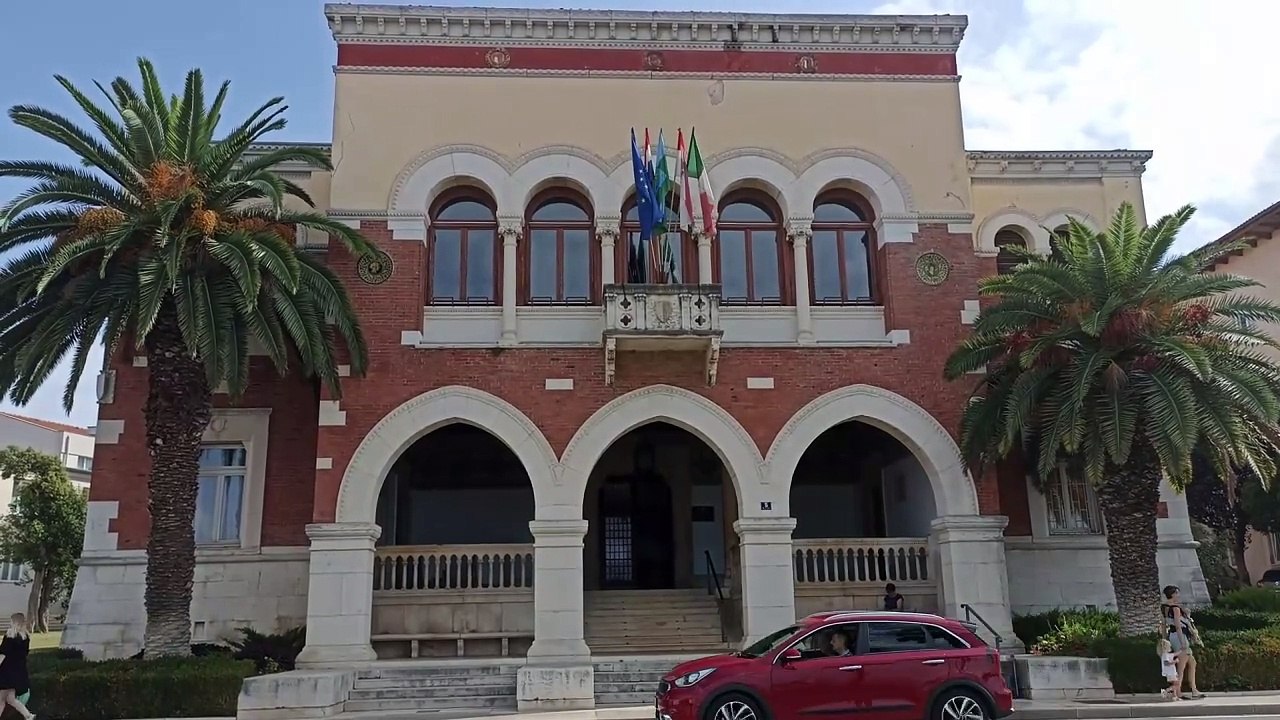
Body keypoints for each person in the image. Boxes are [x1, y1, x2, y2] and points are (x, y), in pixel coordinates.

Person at [1161, 585, 1205, 700]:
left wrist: (1165, 640)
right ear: (1173, 594)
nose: (1179, 596)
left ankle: (1194, 689)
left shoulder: (1164, 607)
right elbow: (1178, 626)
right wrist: (1183, 643)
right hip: (1180, 637)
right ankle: (1178, 692)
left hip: (1172, 636)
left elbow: (1164, 624)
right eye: (1178, 593)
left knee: (1192, 663)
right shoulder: (1175, 608)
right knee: (1181, 666)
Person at [0, 612, 34, 720]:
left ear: (14, 622)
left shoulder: (9, 636)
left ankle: (28, 715)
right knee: (10, 699)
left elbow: (3, 654)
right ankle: (28, 715)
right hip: (19, 672)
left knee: (1, 699)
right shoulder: (26, 637)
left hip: (6, 673)